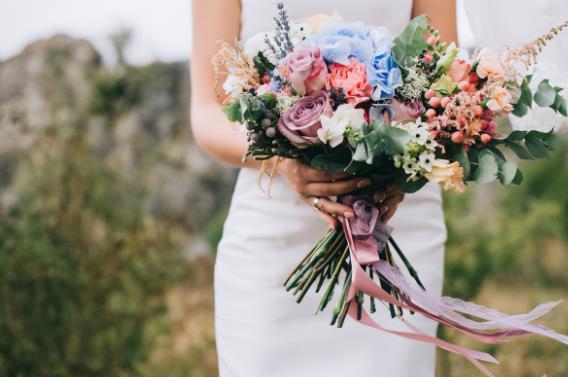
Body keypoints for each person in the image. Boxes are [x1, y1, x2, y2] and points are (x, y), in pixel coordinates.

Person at [191, 1, 457, 376]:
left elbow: (445, 86)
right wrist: (279, 160)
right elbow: (206, 112)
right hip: (273, 235)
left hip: (399, 222)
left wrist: (394, 170)